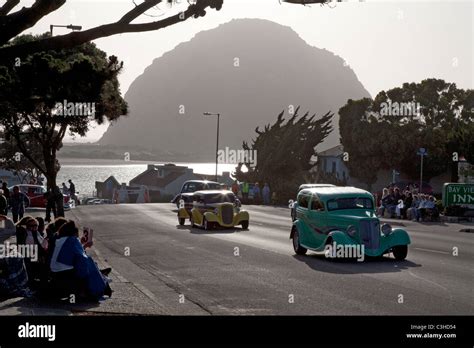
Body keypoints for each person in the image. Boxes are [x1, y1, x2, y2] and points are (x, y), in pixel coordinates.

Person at [49, 220, 112, 301]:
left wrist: (82, 245)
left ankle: (102, 278)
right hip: (66, 273)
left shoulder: (58, 240)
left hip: (54, 271)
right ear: (74, 233)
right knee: (89, 262)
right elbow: (81, 259)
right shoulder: (73, 240)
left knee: (88, 264)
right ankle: (101, 285)